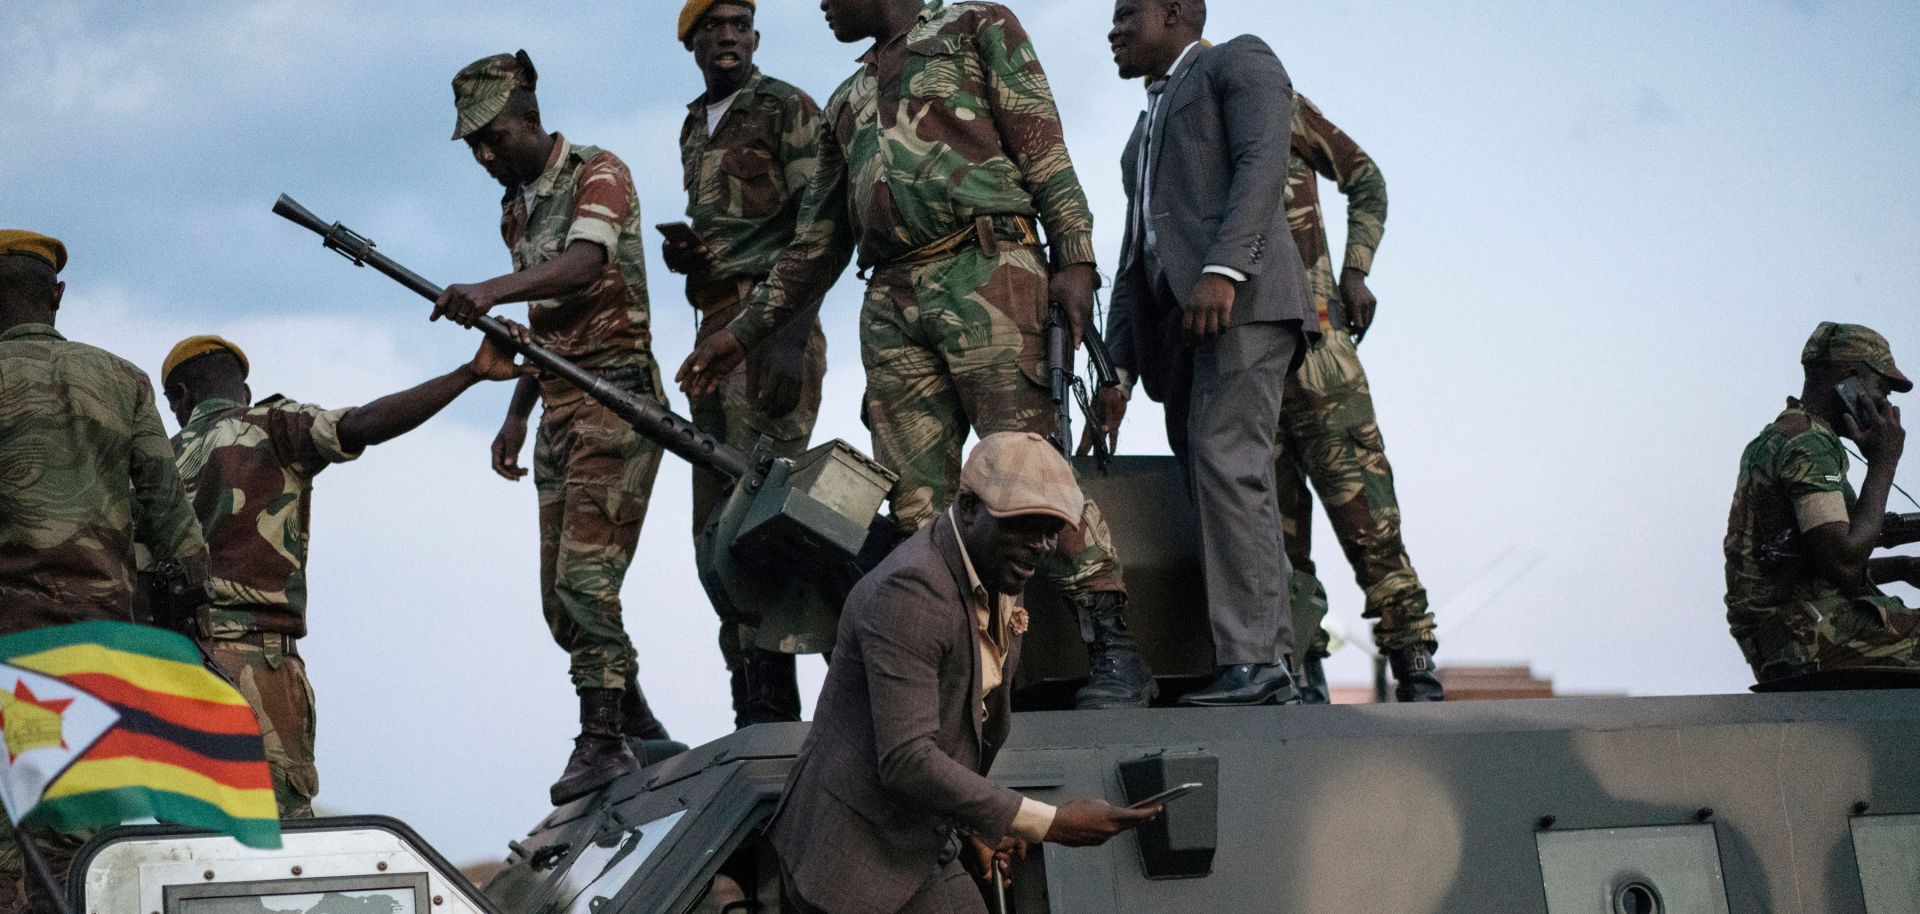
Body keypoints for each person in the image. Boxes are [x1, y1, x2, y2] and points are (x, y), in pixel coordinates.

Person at [679, 0, 1154, 710]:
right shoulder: (847, 97)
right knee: (917, 511)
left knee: (1028, 468)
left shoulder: (975, 26)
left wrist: (1074, 259)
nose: (822, 7)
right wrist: (738, 334)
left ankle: (1112, 648)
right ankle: (963, 672)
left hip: (988, 270)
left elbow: (1043, 146)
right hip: (893, 301)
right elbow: (815, 247)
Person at [770, 433, 1158, 914]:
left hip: (922, 838)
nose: (1040, 546)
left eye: (1051, 530)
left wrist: (976, 823)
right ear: (969, 507)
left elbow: (962, 720)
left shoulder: (996, 565)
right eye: (1024, 526)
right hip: (850, 860)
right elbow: (907, 758)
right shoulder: (911, 591)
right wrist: (1048, 823)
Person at [159, 329, 527, 818]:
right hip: (254, 668)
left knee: (188, 841)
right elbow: (363, 424)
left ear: (180, 397)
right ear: (243, 392)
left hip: (171, 674)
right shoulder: (271, 425)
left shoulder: (156, 459)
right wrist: (470, 374)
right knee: (278, 839)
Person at [437, 51, 673, 803]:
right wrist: (515, 412)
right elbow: (545, 324)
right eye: (471, 143)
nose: (483, 154)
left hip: (618, 395)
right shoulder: (516, 204)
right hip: (561, 401)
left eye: (492, 136)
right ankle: (637, 723)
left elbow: (581, 266)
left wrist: (490, 290)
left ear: (530, 121)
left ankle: (602, 739)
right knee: (557, 600)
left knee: (585, 582)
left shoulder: (597, 172)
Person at [1100, 0, 1315, 705]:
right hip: (1181, 335)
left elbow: (1262, 163)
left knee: (1228, 464)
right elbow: (1136, 258)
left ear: (1176, 13)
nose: (1114, 29)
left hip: (1244, 307)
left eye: (1128, 13)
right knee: (1212, 478)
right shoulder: (1142, 137)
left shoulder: (1236, 60)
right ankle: (1269, 662)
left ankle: (1256, 662)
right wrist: (1118, 368)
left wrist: (1225, 271)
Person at [0, 230, 210, 914]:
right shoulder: (122, 380)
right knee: (84, 836)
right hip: (99, 650)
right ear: (56, 296)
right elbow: (177, 534)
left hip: (9, 646)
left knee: (10, 837)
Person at [670, 0, 831, 727]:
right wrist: (689, 260)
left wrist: (791, 337)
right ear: (693, 42)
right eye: (714, 26)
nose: (727, 36)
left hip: (769, 329)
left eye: (739, 23)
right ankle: (753, 692)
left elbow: (820, 230)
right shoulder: (694, 124)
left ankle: (807, 686)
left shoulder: (784, 108)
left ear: (756, 37)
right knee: (713, 528)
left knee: (768, 514)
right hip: (714, 328)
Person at [1270, 96, 1442, 703]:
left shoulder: (1272, 101)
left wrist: (1355, 271)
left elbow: (1365, 178)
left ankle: (1414, 665)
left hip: (1321, 359)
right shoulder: (1181, 123)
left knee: (1370, 524)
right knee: (1276, 547)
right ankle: (1302, 676)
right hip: (1246, 375)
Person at [1723, 322, 1920, 684]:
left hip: (1794, 632)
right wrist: (1883, 462)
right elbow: (1843, 561)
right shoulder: (1806, 444)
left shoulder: (1792, 434)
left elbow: (1810, 569)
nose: (1885, 404)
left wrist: (1904, 567)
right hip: (1805, 636)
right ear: (1850, 380)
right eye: (1882, 387)